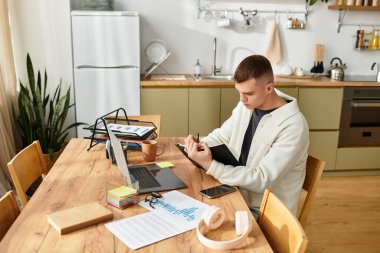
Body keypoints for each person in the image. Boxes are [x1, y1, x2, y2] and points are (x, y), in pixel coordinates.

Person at [185, 55, 309, 218]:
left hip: (265, 213)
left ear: (269, 88)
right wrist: (200, 144)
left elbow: (262, 179)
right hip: (236, 193)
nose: (242, 99)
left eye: (248, 93)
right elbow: (223, 136)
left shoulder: (293, 126)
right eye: (239, 92)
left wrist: (211, 166)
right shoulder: (248, 105)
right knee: (189, 208)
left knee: (200, 224)